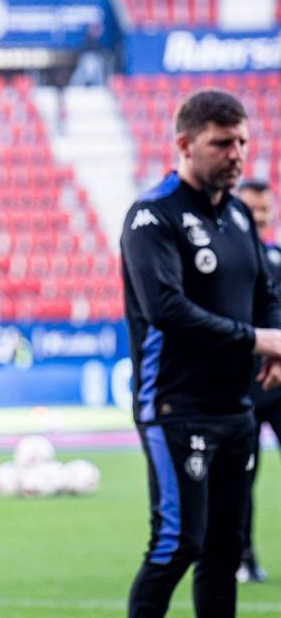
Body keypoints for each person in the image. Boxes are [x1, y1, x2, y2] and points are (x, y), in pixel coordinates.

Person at [121, 90, 281, 618]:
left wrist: (274, 339)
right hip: (174, 405)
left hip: (236, 407)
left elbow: (266, 294)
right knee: (177, 545)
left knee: (222, 551)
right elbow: (166, 309)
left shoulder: (238, 216)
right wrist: (258, 340)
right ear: (186, 144)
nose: (236, 153)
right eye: (221, 143)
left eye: (241, 142)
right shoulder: (152, 216)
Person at [234, 179, 281, 583]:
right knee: (241, 481)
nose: (259, 217)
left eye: (265, 209)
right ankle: (244, 558)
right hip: (238, 392)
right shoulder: (225, 260)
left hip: (280, 388)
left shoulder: (277, 257)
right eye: (251, 209)